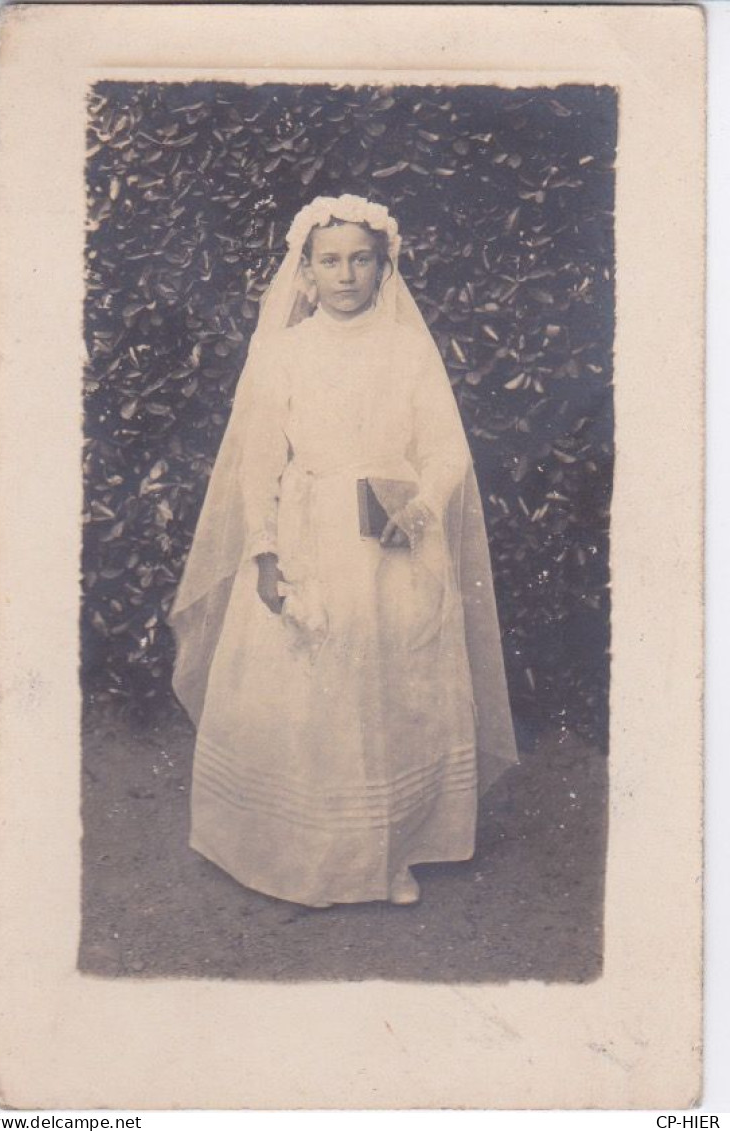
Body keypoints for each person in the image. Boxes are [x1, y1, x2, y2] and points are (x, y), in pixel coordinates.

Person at [167, 194, 518, 909]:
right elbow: (257, 460)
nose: (346, 275)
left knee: (387, 687)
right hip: (308, 532)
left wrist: (417, 507)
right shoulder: (286, 353)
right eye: (331, 261)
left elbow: (447, 451)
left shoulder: (407, 351)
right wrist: (263, 551)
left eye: (361, 259)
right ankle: (287, 849)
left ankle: (388, 850)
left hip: (391, 541)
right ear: (306, 273)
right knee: (307, 687)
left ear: (383, 267)